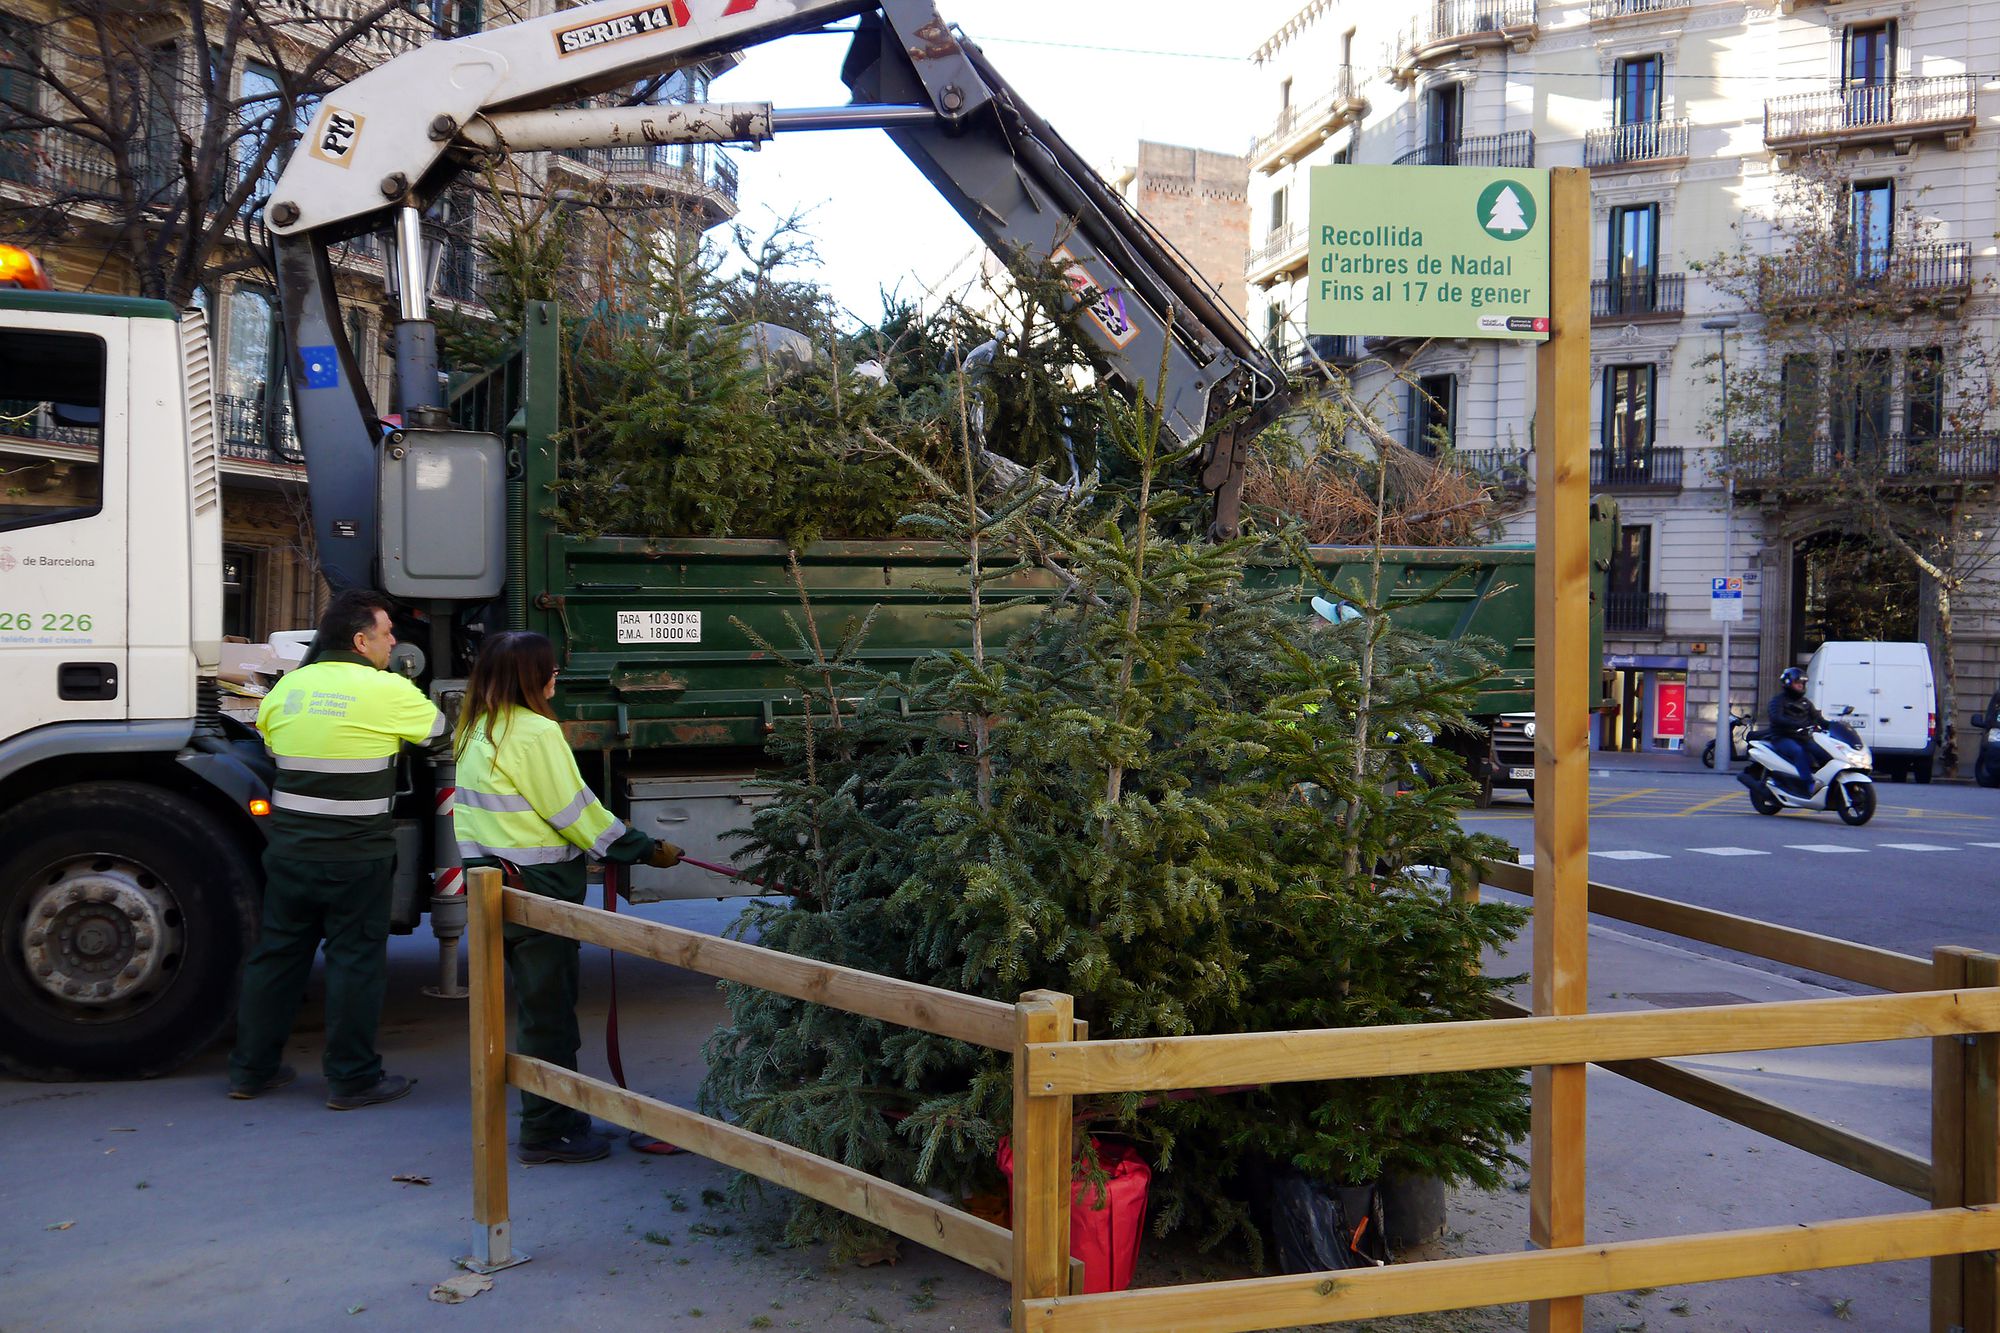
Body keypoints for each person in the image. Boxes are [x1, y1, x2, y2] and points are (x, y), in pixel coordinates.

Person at [452, 631, 684, 1164]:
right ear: (532, 678)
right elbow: (575, 813)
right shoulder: (534, 732)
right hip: (540, 894)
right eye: (551, 670)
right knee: (550, 1016)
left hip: (495, 887)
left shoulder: (476, 728)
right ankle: (549, 1130)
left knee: (535, 1010)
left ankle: (552, 1118)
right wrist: (645, 848)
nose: (557, 677)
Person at [229, 589, 446, 1108]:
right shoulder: (388, 690)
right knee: (355, 963)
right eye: (387, 632)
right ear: (360, 640)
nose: (394, 641)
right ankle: (351, 1079)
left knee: (277, 958)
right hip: (356, 856)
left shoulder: (288, 689)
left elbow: (274, 745)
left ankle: (251, 1071)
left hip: (291, 851)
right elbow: (443, 737)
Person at [1766, 666, 1826, 795]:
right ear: (1788, 683)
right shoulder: (1778, 701)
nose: (1800, 686)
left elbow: (1817, 718)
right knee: (1798, 751)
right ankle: (1809, 784)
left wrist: (1833, 725)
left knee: (1822, 751)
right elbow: (1776, 718)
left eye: (1802, 684)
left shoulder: (1806, 703)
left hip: (1803, 737)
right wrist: (1796, 724)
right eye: (1797, 683)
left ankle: (1826, 780)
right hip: (1782, 737)